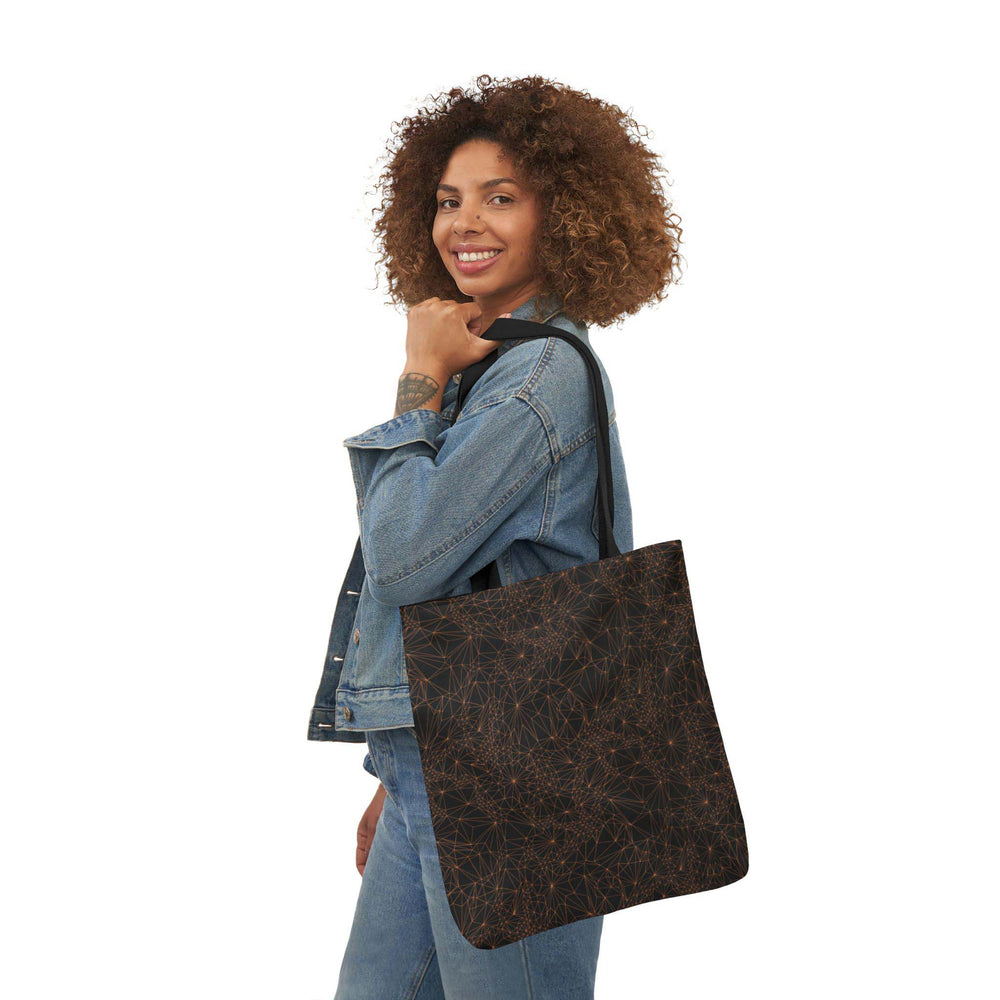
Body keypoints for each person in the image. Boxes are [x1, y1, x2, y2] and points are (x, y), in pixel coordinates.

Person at [306, 73, 683, 999]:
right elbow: (469, 593)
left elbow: (407, 560)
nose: (462, 224)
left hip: (512, 782)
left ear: (566, 214)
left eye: (500, 198)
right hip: (439, 762)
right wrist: (399, 768)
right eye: (446, 202)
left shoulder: (536, 378)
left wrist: (417, 381)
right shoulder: (499, 364)